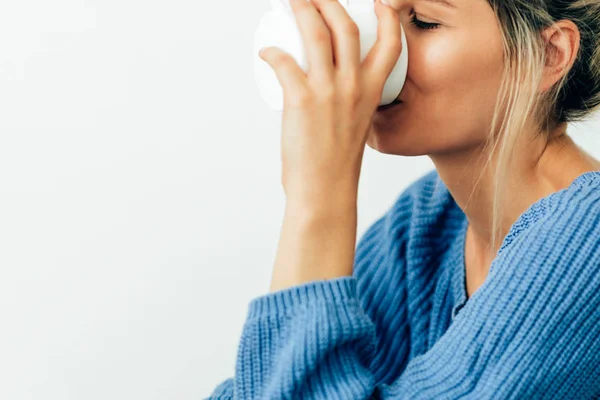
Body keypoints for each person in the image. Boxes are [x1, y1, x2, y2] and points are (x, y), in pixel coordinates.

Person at [207, 0, 600, 398]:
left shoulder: (589, 238)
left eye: (424, 22)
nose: (385, 45)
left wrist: (318, 195)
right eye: (379, 13)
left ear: (549, 55)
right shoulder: (427, 221)